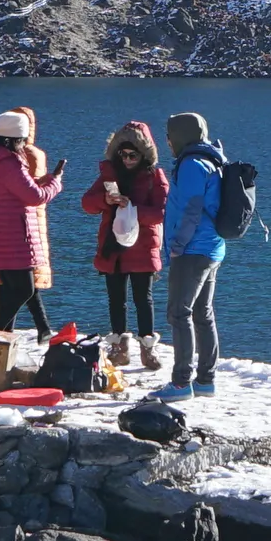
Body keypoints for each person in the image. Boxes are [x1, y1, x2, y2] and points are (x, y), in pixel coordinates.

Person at [0, 107, 62, 333]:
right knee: (25, 290)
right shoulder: (11, 165)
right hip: (14, 238)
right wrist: (55, 182)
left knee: (8, 288)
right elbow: (35, 197)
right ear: (19, 139)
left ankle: (5, 336)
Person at [81, 120, 168, 372]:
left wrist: (132, 209)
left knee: (144, 299)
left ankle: (147, 348)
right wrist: (106, 199)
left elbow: (162, 212)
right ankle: (119, 348)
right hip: (114, 247)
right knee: (116, 299)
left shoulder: (155, 177)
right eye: (123, 154)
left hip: (142, 246)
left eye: (133, 155)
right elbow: (87, 204)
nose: (128, 159)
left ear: (144, 154)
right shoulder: (109, 176)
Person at [159, 108, 232, 396]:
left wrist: (177, 246)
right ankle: (206, 381)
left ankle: (181, 382)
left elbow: (191, 209)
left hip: (192, 249)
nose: (167, 142)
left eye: (169, 136)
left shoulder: (191, 164)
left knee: (179, 313)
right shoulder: (213, 159)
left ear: (178, 137)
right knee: (203, 313)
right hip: (212, 247)